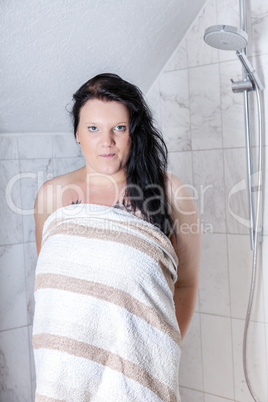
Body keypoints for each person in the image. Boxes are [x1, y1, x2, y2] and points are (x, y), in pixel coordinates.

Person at [33, 73, 201, 401]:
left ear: (133, 132)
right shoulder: (51, 196)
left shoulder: (170, 193)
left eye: (119, 129)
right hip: (63, 378)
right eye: (93, 128)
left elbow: (187, 282)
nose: (106, 142)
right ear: (77, 133)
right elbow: (54, 286)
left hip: (139, 381)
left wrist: (156, 343)